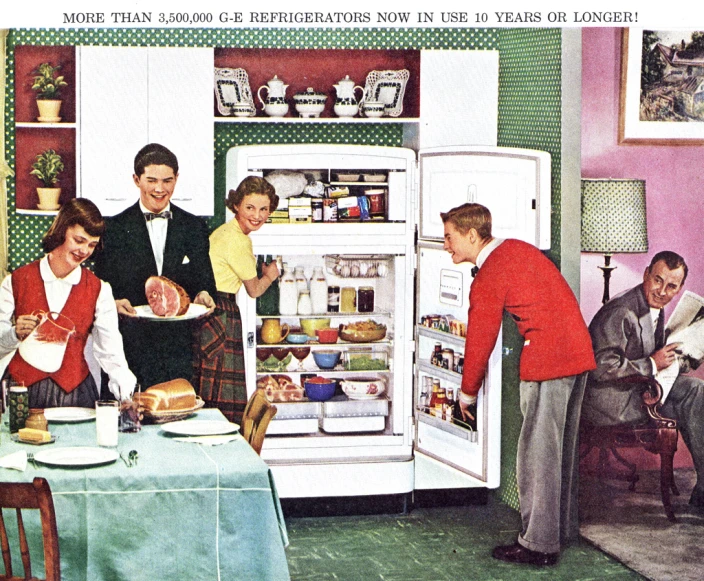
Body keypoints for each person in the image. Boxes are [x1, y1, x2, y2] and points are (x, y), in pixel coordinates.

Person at [441, 203, 595, 567]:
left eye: (450, 237)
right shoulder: (516, 249)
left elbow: (481, 337)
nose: (446, 245)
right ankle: (557, 533)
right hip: (578, 354)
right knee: (559, 451)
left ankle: (538, 546)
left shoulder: (491, 271)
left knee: (536, 454)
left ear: (472, 236)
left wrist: (466, 392)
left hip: (548, 359)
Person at [582, 250, 704, 507]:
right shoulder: (622, 310)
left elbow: (655, 354)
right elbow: (601, 367)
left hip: (637, 390)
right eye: (657, 280)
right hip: (610, 400)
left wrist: (685, 355)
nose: (662, 291)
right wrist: (651, 363)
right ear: (646, 273)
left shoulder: (653, 307)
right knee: (691, 399)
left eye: (671, 286)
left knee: (696, 390)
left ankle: (703, 484)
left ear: (680, 288)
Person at [94, 143, 216, 391]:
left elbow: (205, 280)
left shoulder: (194, 227)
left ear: (177, 179)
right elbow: (101, 287)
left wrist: (204, 294)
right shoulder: (113, 228)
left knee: (176, 415)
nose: (160, 189)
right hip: (128, 345)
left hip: (179, 347)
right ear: (136, 180)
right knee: (127, 421)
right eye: (151, 180)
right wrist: (113, 303)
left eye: (167, 180)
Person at [0, 199, 136, 407]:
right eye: (79, 240)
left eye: (91, 245)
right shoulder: (16, 281)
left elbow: (111, 353)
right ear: (62, 230)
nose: (84, 251)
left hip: (76, 394)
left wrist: (126, 395)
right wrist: (14, 334)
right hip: (22, 394)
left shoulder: (99, 289)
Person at [193, 176, 280, 423]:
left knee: (208, 390)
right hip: (222, 310)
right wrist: (270, 276)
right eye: (250, 207)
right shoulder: (239, 240)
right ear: (236, 206)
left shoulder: (226, 231)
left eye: (264, 209)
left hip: (210, 310)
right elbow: (254, 290)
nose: (257, 215)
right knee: (223, 394)